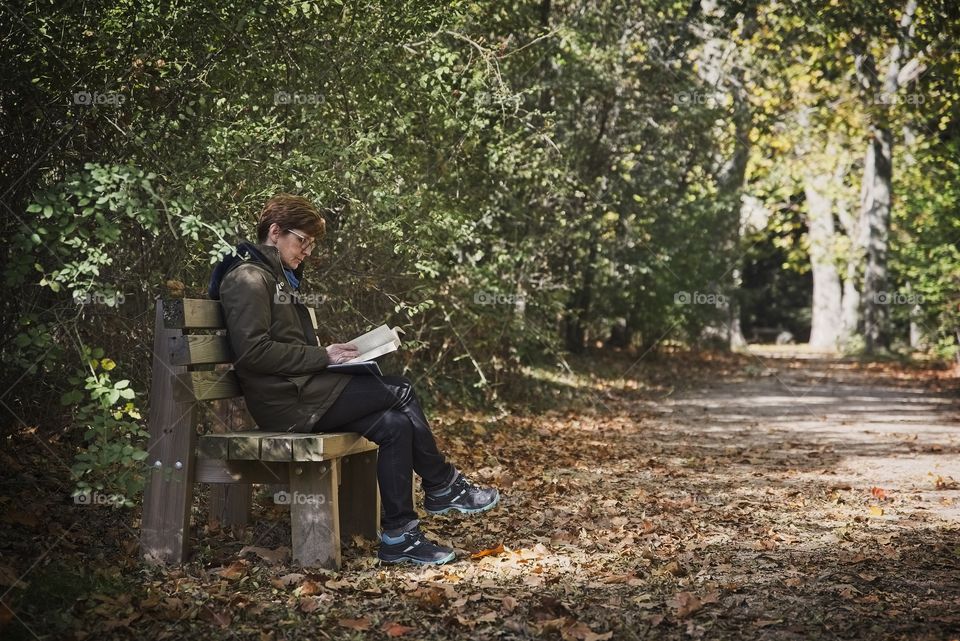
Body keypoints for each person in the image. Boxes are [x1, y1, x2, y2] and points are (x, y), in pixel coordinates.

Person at [208, 194, 499, 565]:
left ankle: (400, 538)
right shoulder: (248, 277)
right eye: (303, 241)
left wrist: (338, 355)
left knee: (395, 426)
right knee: (402, 391)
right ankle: (441, 485)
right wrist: (323, 356)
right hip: (286, 404)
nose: (307, 252)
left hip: (303, 392)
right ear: (276, 232)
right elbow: (254, 353)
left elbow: (285, 347)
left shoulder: (278, 278)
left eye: (311, 245)